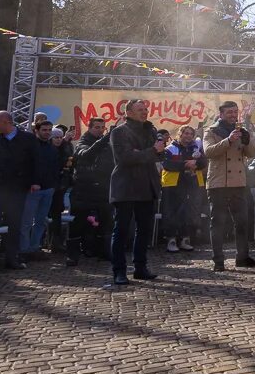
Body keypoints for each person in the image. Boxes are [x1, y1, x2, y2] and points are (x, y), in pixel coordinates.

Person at [109, 100, 165, 284]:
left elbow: (159, 154)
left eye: (146, 109)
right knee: (122, 230)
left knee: (144, 231)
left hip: (147, 187)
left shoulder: (150, 130)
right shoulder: (119, 131)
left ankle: (140, 267)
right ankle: (119, 271)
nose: (145, 112)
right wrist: (150, 151)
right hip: (126, 187)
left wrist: (148, 152)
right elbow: (125, 158)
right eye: (140, 110)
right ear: (129, 113)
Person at [204, 101, 255, 271]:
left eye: (235, 112)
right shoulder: (211, 131)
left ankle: (242, 257)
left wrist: (247, 139)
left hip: (238, 183)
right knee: (218, 223)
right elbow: (209, 152)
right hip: (218, 183)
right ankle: (218, 261)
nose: (232, 115)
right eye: (229, 112)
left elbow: (251, 154)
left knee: (243, 222)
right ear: (221, 114)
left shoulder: (241, 131)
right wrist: (228, 140)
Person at [0, 111, 38, 270]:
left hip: (17, 190)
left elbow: (35, 162)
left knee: (15, 226)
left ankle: (12, 260)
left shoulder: (27, 139)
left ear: (6, 122)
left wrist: (35, 182)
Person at [67, 118, 115, 265]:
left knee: (106, 222)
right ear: (89, 128)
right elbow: (88, 154)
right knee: (78, 223)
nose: (100, 130)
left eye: (102, 127)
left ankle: (104, 252)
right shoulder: (83, 142)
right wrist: (107, 137)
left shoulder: (108, 144)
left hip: (103, 188)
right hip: (84, 189)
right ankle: (72, 255)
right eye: (97, 127)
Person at [20, 120, 63, 260]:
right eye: (44, 130)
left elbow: (55, 168)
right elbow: (26, 167)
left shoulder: (52, 148)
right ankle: (24, 250)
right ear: (36, 131)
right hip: (33, 189)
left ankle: (34, 248)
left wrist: (54, 185)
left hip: (48, 189)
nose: (47, 132)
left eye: (49, 130)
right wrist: (33, 182)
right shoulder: (30, 147)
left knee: (41, 221)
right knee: (26, 222)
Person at [160, 126, 207, 253]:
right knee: (171, 213)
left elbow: (204, 162)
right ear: (180, 134)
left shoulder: (196, 148)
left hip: (192, 184)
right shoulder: (170, 148)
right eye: (186, 133)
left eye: (191, 134)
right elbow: (167, 165)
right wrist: (185, 165)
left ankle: (185, 239)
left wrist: (195, 164)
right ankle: (171, 239)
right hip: (172, 185)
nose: (188, 136)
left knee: (189, 213)